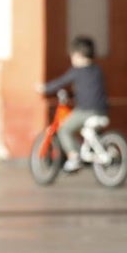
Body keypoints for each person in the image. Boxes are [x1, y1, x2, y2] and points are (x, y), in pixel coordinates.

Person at [36, 35, 108, 173]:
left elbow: (60, 82)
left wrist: (44, 88)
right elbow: (89, 90)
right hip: (102, 110)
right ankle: (87, 151)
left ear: (78, 55)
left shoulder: (77, 71)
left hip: (86, 111)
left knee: (64, 129)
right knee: (86, 132)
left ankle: (74, 157)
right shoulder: (97, 70)